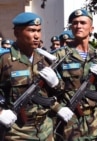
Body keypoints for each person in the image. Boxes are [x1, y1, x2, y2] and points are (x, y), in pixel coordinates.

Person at [0, 12, 73, 141]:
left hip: (45, 129)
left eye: (39, 31)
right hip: (17, 131)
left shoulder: (45, 60)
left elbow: (60, 91)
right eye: (31, 30)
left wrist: (56, 83)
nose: (36, 36)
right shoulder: (5, 60)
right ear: (17, 33)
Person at [51, 9, 97, 140]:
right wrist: (58, 108)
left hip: (94, 118)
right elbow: (46, 91)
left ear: (91, 28)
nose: (78, 26)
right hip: (71, 119)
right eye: (75, 23)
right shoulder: (59, 56)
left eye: (83, 23)